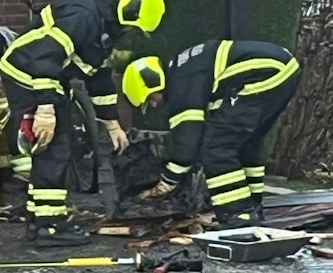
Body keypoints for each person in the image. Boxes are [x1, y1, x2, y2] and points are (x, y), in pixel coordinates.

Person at [0, 0, 166, 246]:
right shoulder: (83, 17)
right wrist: (45, 107)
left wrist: (111, 122)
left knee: (55, 146)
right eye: (134, 28)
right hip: (30, 74)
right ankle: (48, 226)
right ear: (130, 15)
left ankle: (38, 219)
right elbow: (45, 56)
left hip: (46, 78)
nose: (131, 33)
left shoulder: (101, 24)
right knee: (54, 147)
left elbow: (98, 78)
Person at [121, 39, 301, 226]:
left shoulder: (181, 85)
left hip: (265, 74)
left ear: (152, 83)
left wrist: (166, 182)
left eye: (150, 98)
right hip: (284, 70)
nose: (154, 104)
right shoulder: (184, 69)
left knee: (215, 146)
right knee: (248, 142)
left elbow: (188, 143)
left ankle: (237, 214)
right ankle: (253, 206)